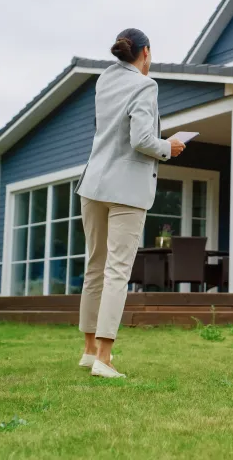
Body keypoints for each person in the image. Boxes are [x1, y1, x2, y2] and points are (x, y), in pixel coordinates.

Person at [74, 28, 186, 378]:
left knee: (95, 268)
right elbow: (140, 139)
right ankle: (104, 359)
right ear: (146, 53)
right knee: (117, 272)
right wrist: (170, 147)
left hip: (93, 184)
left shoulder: (104, 80)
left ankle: (89, 349)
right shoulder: (145, 85)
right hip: (125, 190)